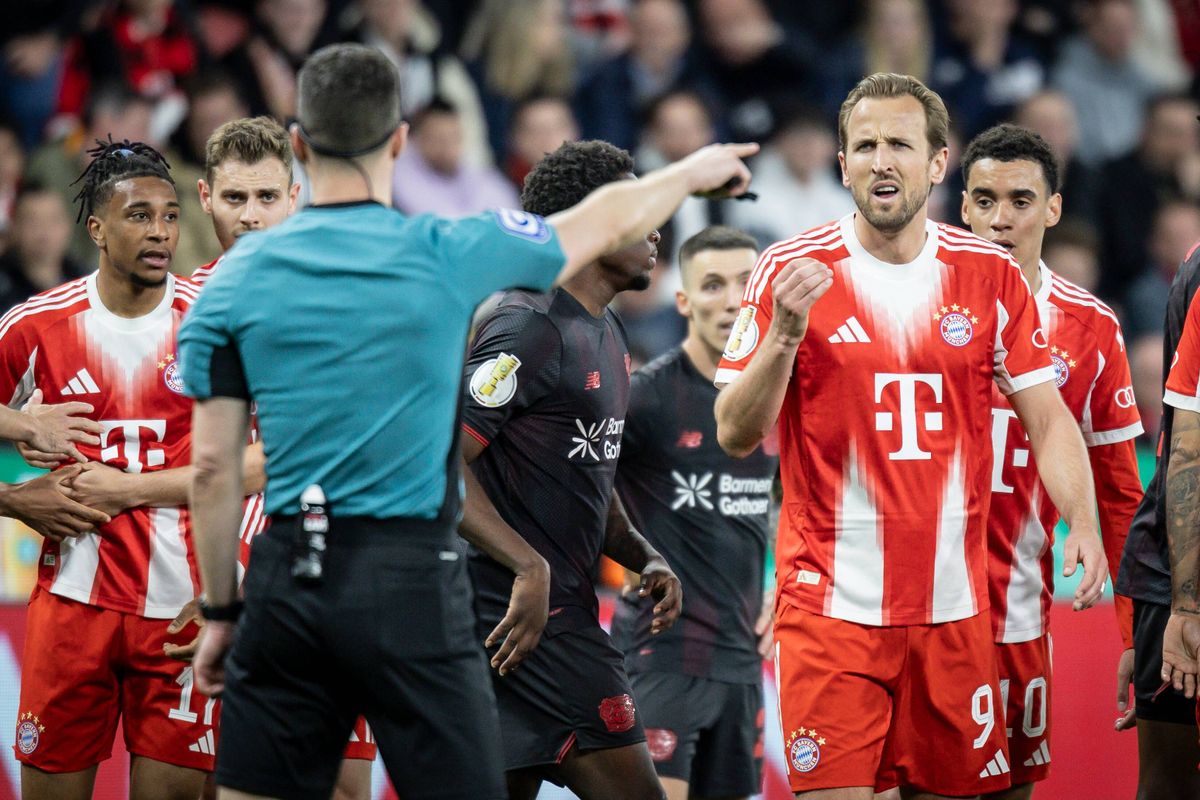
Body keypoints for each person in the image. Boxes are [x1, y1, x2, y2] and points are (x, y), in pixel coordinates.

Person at [178, 43, 756, 800]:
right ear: (397, 141)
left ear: (296, 147)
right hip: (410, 575)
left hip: (291, 574)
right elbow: (592, 220)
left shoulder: (232, 283)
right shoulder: (447, 249)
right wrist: (689, 171)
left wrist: (224, 608)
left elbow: (213, 469)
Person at [713, 73, 1106, 800]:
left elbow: (1048, 420)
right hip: (829, 611)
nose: (880, 161)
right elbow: (736, 433)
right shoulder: (789, 270)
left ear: (937, 163)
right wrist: (782, 340)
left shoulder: (987, 274)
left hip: (955, 614)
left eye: (899, 144)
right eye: (864, 146)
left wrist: (1081, 521)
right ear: (842, 166)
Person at [460, 138, 682, 800]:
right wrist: (529, 567)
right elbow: (439, 465)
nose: (658, 227)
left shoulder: (606, 330)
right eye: (638, 209)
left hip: (554, 623)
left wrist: (644, 555)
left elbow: (590, 470)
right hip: (502, 623)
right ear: (595, 218)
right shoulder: (526, 325)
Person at [0, 138, 213, 800]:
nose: (160, 232)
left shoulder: (212, 324)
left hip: (181, 615)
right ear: (95, 227)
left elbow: (259, 463)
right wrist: (12, 497)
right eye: (139, 215)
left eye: (170, 216)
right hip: (71, 608)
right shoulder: (35, 327)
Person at [192, 114, 379, 800]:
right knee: (217, 784)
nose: (251, 216)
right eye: (236, 199)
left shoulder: (347, 299)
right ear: (206, 197)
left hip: (326, 565)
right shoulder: (178, 306)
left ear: (294, 198)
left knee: (346, 787)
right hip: (204, 574)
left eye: (267, 198)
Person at [960, 123, 1144, 800]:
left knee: (1011, 791)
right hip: (912, 609)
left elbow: (1120, 494)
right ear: (962, 206)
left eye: (1020, 200)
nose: (1000, 219)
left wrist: (1132, 632)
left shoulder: (1090, 326)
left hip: (1019, 607)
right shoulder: (914, 302)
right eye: (984, 200)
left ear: (1054, 209)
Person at [611, 224, 778, 800]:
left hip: (741, 663)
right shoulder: (649, 396)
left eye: (745, 283)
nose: (732, 300)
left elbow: (794, 496)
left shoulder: (780, 395)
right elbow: (577, 482)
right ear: (682, 302)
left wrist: (780, 581)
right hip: (662, 657)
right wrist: (624, 555)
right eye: (712, 285)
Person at [1119, 249, 1200, 795]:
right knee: (1169, 785)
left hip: (1167, 581)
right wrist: (1187, 605)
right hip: (1179, 579)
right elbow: (1190, 448)